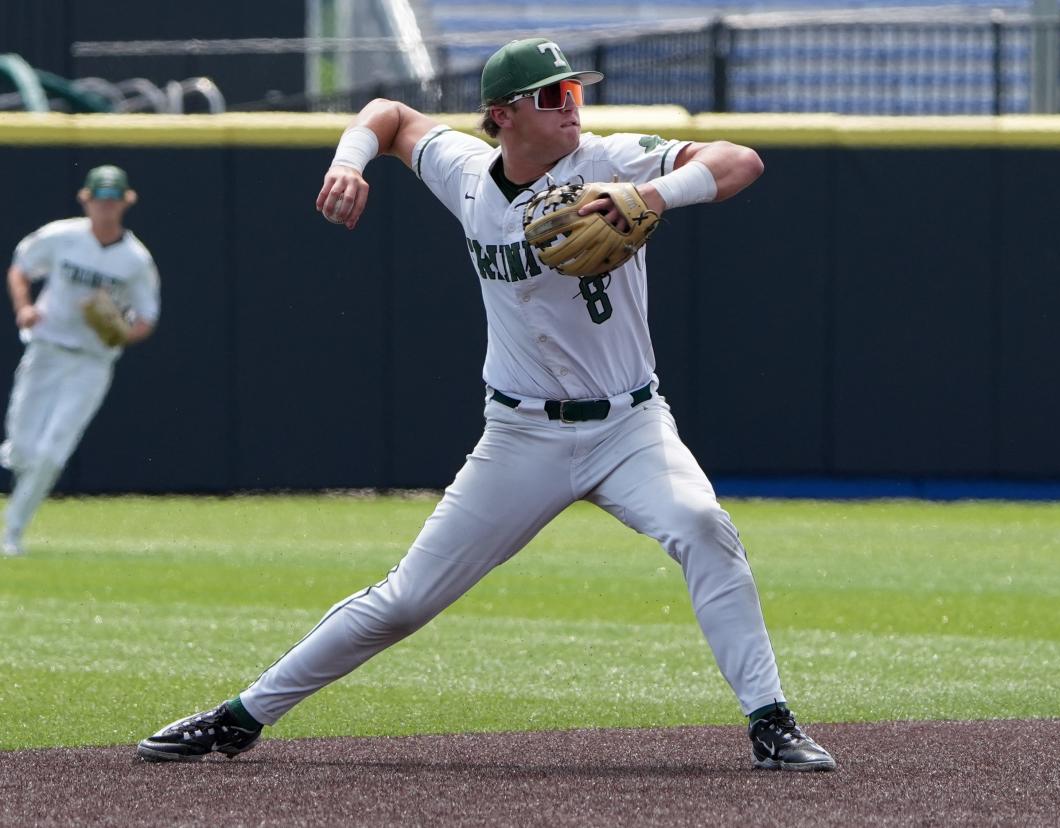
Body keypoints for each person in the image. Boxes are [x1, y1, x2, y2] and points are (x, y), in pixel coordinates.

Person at [137, 37, 835, 772]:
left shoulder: (609, 160)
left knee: (702, 525)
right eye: (553, 96)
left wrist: (650, 194)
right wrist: (348, 159)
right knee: (406, 600)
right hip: (520, 436)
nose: (573, 106)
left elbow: (740, 160)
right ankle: (239, 717)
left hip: (629, 425)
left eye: (575, 91)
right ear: (502, 115)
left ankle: (772, 721)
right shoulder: (466, 173)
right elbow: (389, 114)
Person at [1, 165, 160, 557]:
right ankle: (17, 474)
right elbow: (21, 268)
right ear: (85, 200)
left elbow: (146, 318)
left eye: (113, 201)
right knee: (22, 450)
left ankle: (12, 535)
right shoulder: (61, 237)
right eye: (99, 200)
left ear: (126, 202)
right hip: (46, 350)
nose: (106, 208)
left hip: (92, 362)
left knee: (53, 451)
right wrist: (24, 308)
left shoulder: (135, 259)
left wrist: (120, 331)